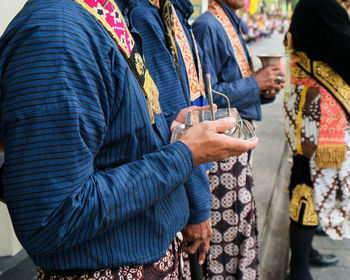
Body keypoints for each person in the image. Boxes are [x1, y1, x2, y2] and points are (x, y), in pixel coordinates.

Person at [0, 0, 259, 279]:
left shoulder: (103, 14)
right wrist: (185, 153)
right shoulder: (57, 36)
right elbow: (52, 219)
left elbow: (116, 141)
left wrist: (169, 128)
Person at [192, 0, 284, 279]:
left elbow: (233, 83)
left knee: (241, 220)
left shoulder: (227, 22)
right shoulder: (207, 25)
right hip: (222, 153)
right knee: (225, 230)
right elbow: (207, 97)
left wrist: (263, 88)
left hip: (237, 144)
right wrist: (255, 83)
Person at [123, 0, 212, 277]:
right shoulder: (143, 13)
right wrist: (198, 206)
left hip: (181, 168)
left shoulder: (170, 11)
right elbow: (175, 121)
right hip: (171, 177)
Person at [283, 0, 350, 279]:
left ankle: (304, 253)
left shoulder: (314, 5)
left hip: (311, 109)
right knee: (307, 185)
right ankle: (298, 269)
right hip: (317, 113)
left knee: (306, 180)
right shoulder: (323, 6)